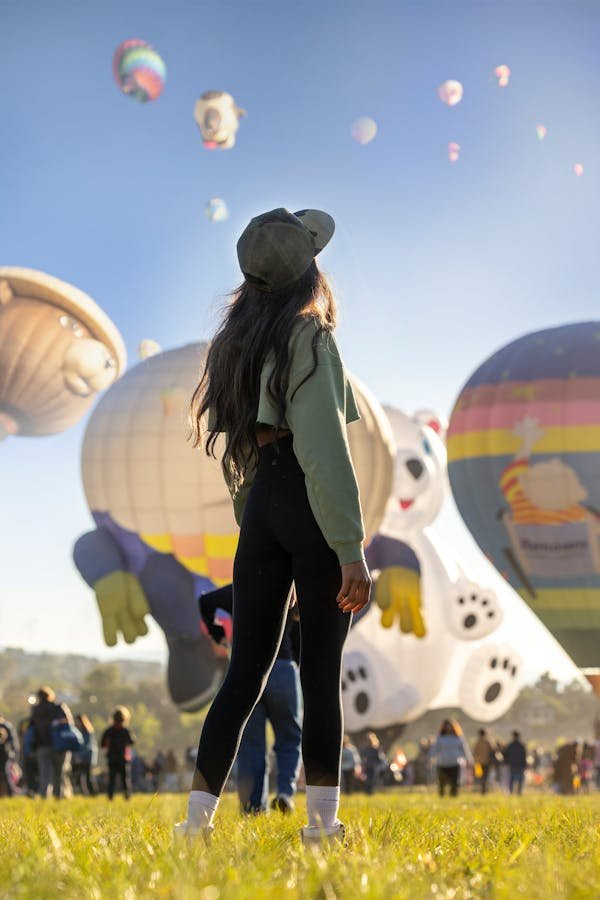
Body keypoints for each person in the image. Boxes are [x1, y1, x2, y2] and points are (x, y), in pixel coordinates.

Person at [179, 207, 371, 844]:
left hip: (261, 504)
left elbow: (238, 457)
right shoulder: (311, 334)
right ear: (308, 270)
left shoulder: (233, 344)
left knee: (243, 677)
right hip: (306, 503)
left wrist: (257, 525)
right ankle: (322, 826)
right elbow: (323, 450)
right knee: (319, 673)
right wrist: (349, 547)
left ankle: (194, 825)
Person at [200, 582, 302, 814]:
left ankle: (253, 806)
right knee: (289, 737)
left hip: (246, 668)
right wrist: (296, 662)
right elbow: (299, 634)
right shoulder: (290, 586)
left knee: (251, 744)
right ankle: (285, 793)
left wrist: (218, 635)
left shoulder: (243, 584)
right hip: (282, 667)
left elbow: (205, 602)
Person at [30, 686, 74, 799]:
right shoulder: (58, 707)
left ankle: (44, 796)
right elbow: (70, 724)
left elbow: (31, 727)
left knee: (44, 773)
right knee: (58, 773)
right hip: (59, 745)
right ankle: (57, 796)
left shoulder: (35, 710)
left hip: (41, 745)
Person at [431, 719, 472, 798]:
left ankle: (453, 796)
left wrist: (468, 759)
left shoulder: (458, 738)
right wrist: (430, 758)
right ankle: (441, 796)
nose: (448, 728)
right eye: (446, 726)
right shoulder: (440, 738)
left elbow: (464, 749)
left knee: (454, 782)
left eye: (450, 726)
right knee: (442, 783)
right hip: (442, 763)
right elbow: (435, 749)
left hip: (454, 763)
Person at [101, 707, 134, 800]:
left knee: (112, 779)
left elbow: (102, 744)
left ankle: (110, 796)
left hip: (112, 758)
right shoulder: (125, 731)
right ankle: (127, 796)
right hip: (122, 758)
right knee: (124, 779)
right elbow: (131, 742)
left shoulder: (109, 731)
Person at [72, 714, 97, 796]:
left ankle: (93, 794)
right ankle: (84, 793)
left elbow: (86, 746)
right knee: (79, 777)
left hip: (87, 758)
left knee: (88, 777)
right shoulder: (76, 732)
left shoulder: (87, 732)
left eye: (77, 721)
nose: (76, 723)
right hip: (79, 758)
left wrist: (80, 757)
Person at [503, 730, 527, 795]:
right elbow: (524, 756)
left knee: (512, 778)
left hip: (512, 764)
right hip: (520, 764)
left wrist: (507, 762)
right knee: (520, 779)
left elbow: (505, 755)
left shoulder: (510, 745)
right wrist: (524, 764)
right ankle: (519, 792)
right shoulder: (522, 745)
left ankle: (511, 791)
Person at [0, 715, 19, 797]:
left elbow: (13, 743)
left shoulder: (6, 726)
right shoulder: (7, 726)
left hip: (5, 755)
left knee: (6, 774)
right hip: (6, 754)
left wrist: (14, 755)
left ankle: (9, 793)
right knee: (6, 775)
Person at [472, 728, 494, 794]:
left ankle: (481, 789)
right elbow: (492, 751)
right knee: (485, 776)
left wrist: (475, 760)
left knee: (479, 776)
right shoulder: (488, 742)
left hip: (478, 762)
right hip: (486, 762)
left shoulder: (477, 742)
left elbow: (474, 752)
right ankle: (483, 789)